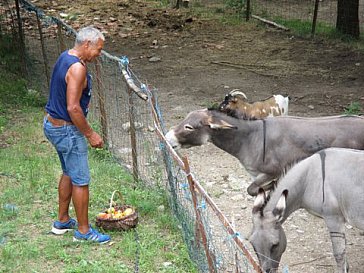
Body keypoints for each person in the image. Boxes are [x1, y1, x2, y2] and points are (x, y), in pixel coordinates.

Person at [43, 26, 110, 244]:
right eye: (98, 50)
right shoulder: (78, 68)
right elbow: (73, 108)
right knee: (81, 180)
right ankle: (83, 231)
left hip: (52, 124)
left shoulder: (65, 56)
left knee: (68, 172)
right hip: (66, 129)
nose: (99, 54)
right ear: (86, 44)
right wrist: (90, 134)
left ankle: (62, 220)